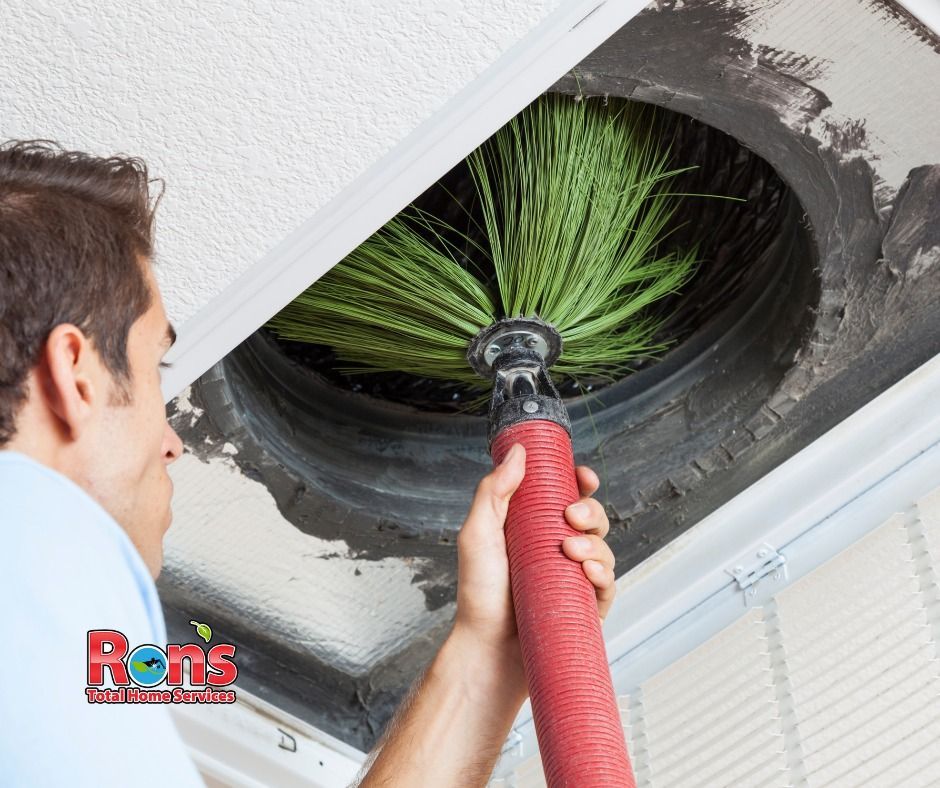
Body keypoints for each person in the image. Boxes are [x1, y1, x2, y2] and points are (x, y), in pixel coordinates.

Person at [0, 141, 618, 787]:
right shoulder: (37, 544)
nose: (173, 443)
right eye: (158, 364)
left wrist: (492, 652)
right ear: (76, 375)